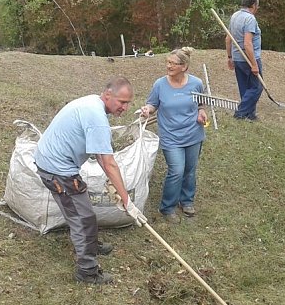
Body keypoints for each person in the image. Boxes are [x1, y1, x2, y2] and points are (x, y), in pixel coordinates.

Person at [34, 76, 146, 285]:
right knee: (83, 219)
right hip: (57, 170)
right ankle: (87, 271)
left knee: (83, 213)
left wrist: (121, 194)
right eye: (122, 102)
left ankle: (90, 245)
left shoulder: (92, 103)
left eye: (129, 102)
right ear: (107, 95)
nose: (126, 107)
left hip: (52, 163)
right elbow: (108, 162)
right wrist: (127, 200)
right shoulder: (96, 117)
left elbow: (101, 157)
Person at [139, 47, 207, 224]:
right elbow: (152, 104)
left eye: (172, 63)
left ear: (184, 67)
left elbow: (201, 104)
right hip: (171, 136)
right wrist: (147, 109)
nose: (168, 66)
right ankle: (167, 207)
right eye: (167, 62)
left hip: (193, 134)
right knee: (176, 170)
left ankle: (187, 201)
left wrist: (201, 112)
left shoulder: (196, 83)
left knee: (190, 171)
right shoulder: (160, 84)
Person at [226, 0, 264, 121]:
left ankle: (250, 115)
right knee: (257, 87)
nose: (258, 7)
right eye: (257, 5)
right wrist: (254, 64)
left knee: (245, 88)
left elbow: (228, 38)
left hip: (237, 58)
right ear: (253, 4)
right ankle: (240, 113)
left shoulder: (235, 16)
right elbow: (248, 43)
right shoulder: (249, 19)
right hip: (248, 58)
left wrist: (230, 57)